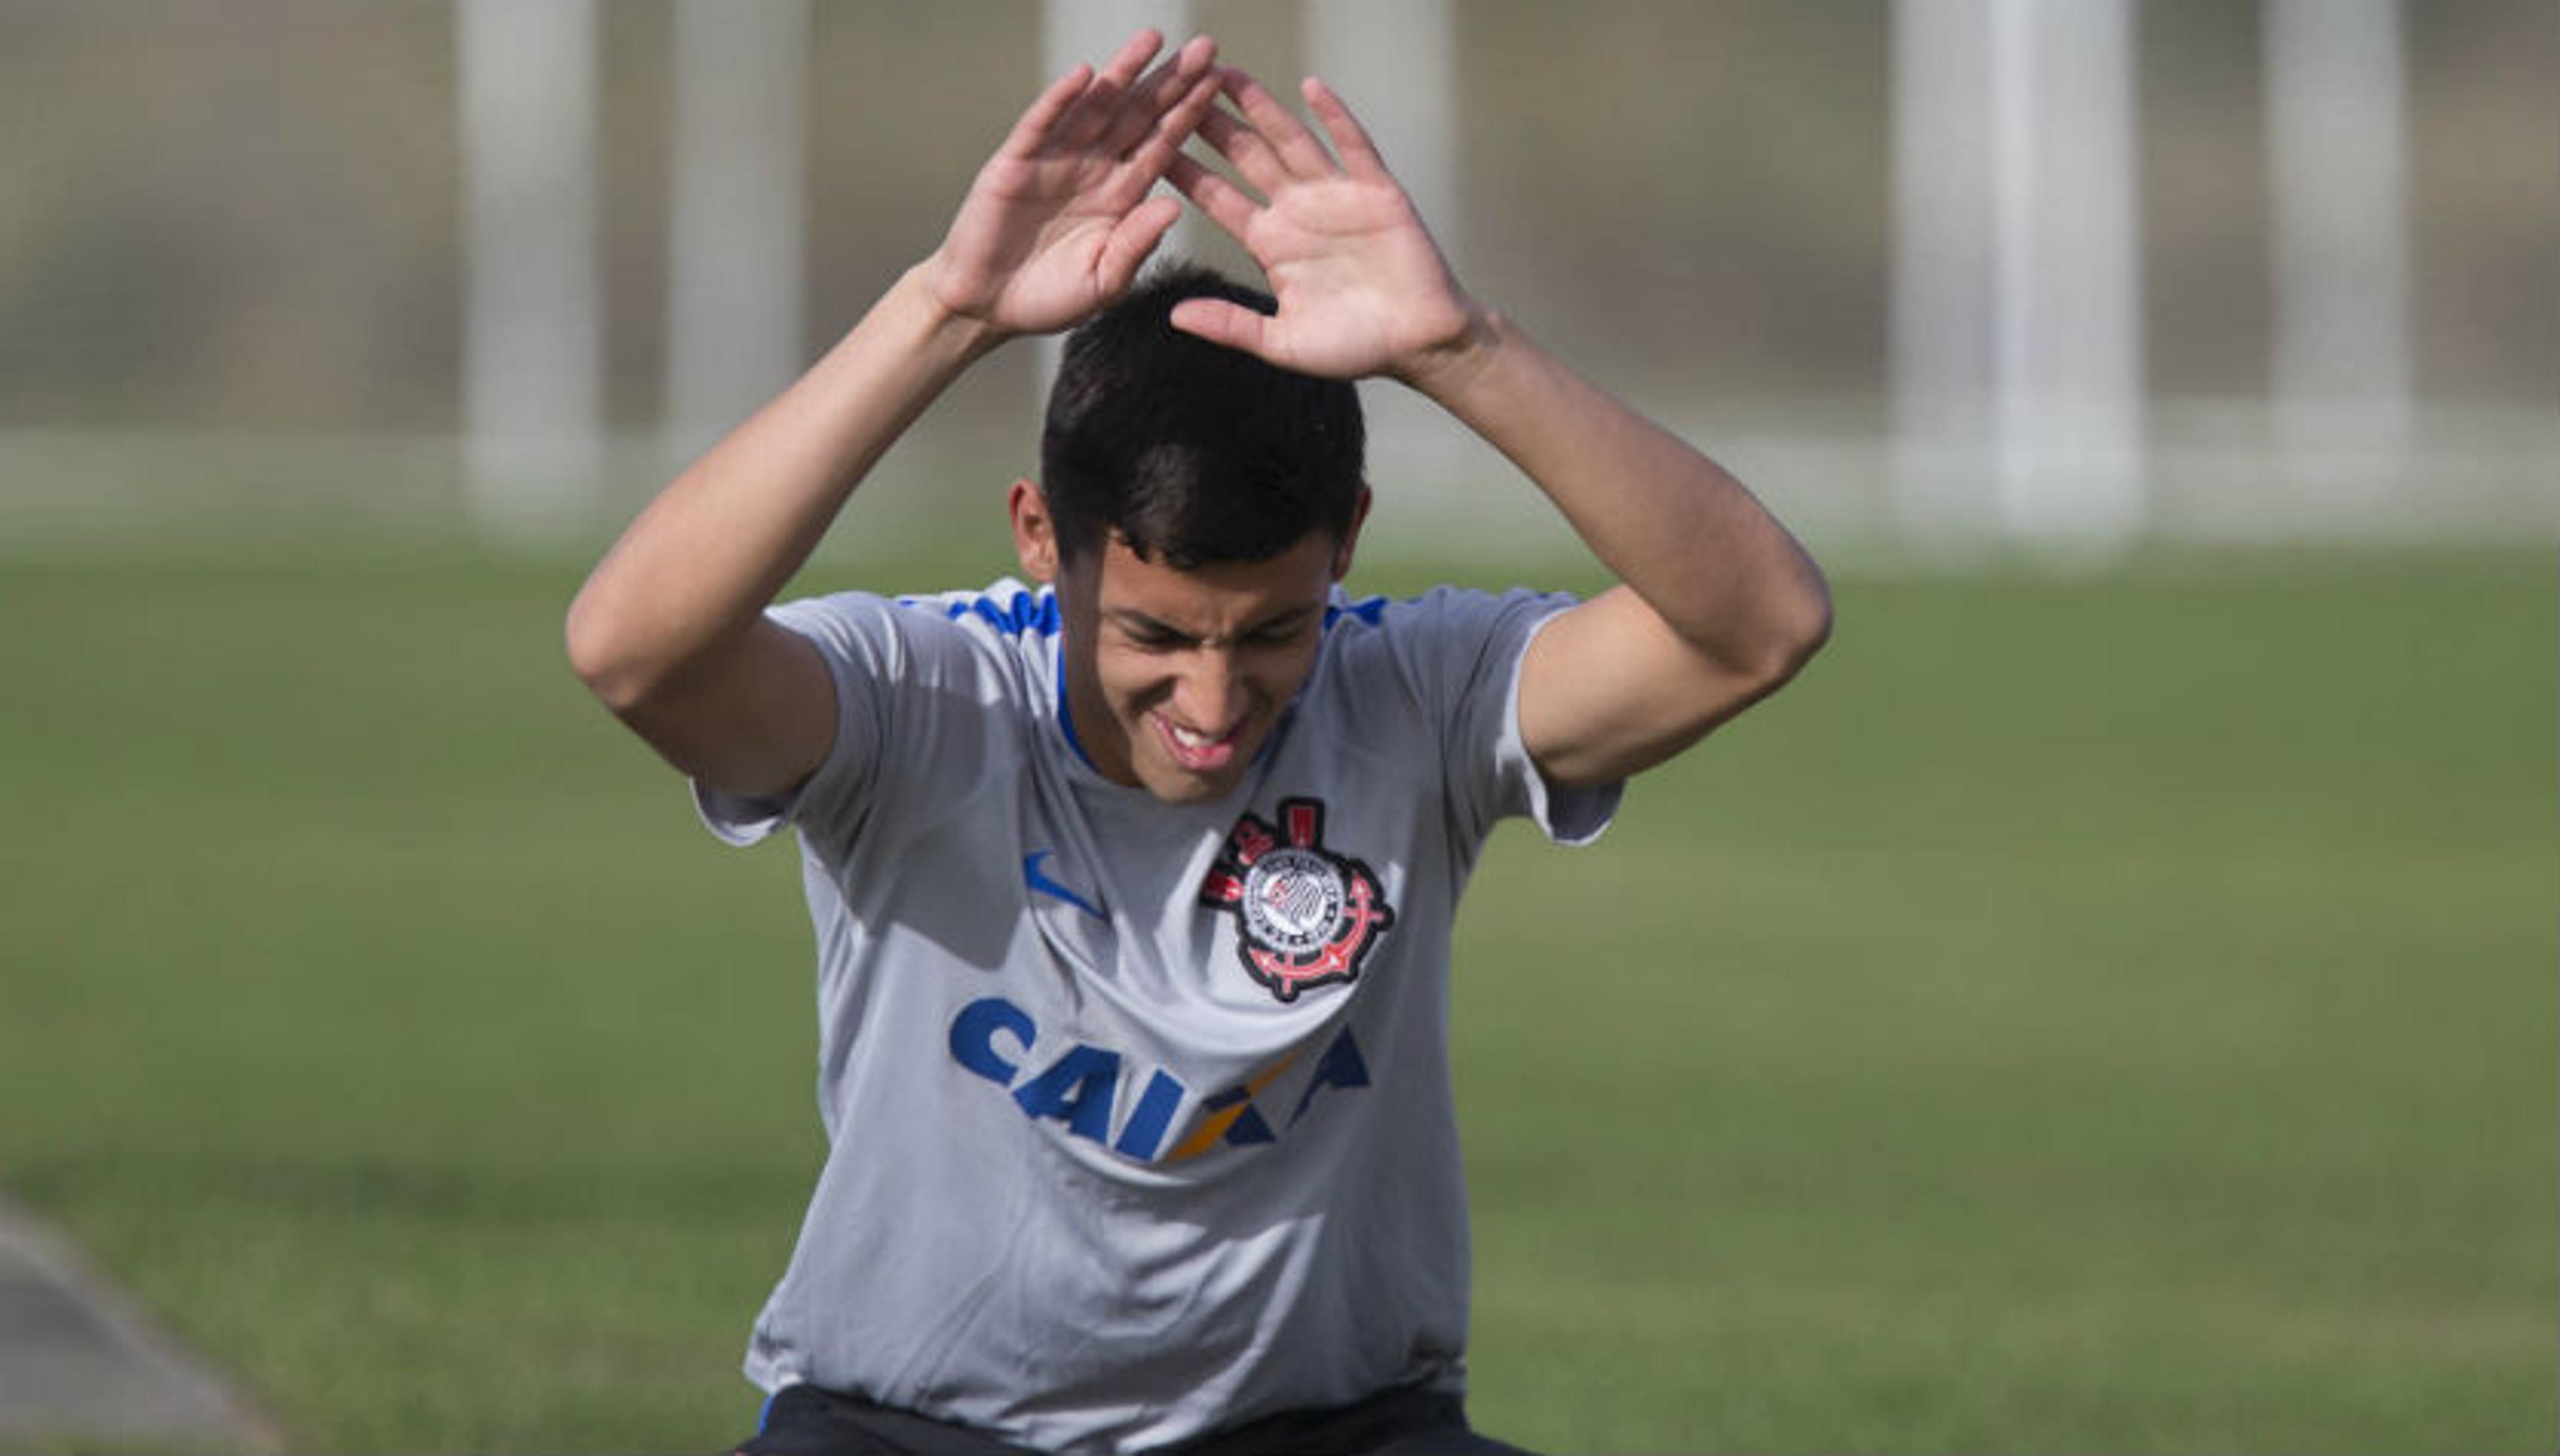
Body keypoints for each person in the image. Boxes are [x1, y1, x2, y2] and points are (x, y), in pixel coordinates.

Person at [566, 30, 1831, 1456]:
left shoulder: (1417, 695)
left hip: (1338, 1433)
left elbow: (1757, 626)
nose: (1218, 704)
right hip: (905, 1433)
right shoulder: (928, 697)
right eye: (1159, 639)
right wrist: (947, 311)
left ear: (1347, 543)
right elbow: (635, 649)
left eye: (1273, 634)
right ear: (1042, 538)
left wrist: (1458, 350)